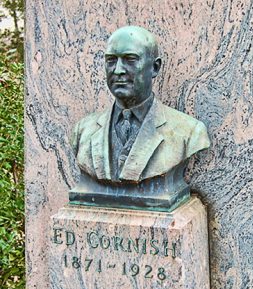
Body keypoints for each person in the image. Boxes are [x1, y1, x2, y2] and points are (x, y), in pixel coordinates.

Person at [70, 26, 209, 210]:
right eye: (111, 60)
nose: (118, 70)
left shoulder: (189, 132)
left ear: (155, 67)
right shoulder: (83, 130)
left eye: (130, 60)